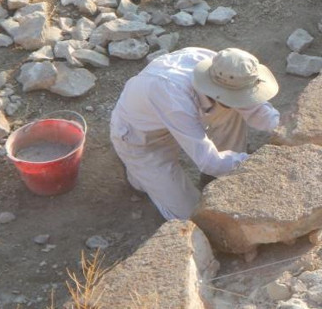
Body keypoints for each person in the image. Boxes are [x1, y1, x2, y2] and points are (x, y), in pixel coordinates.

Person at [110, 47, 280, 220]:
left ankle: (218, 180)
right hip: (143, 138)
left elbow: (254, 107)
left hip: (183, 114)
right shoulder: (174, 96)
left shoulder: (225, 68)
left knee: (232, 109)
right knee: (194, 217)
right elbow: (208, 161)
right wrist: (260, 164)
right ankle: (137, 175)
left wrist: (286, 131)